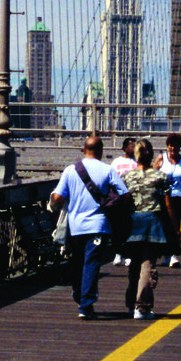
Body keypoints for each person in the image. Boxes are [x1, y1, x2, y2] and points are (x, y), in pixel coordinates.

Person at [49, 136, 130, 319]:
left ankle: (80, 296)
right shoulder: (108, 170)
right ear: (101, 151)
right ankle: (85, 305)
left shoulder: (70, 170)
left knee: (77, 262)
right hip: (99, 224)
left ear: (84, 150)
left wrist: (53, 200)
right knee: (92, 262)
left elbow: (58, 198)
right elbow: (125, 195)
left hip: (76, 226)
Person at [120, 139, 177, 320]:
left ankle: (131, 304)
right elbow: (168, 206)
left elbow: (123, 202)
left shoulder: (126, 177)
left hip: (132, 223)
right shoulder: (160, 177)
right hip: (153, 223)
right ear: (151, 154)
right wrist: (176, 229)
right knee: (147, 265)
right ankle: (142, 307)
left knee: (134, 265)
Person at [159, 133, 181, 267]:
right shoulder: (161, 159)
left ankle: (173, 255)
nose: (173, 148)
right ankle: (167, 255)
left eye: (176, 146)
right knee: (166, 225)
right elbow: (153, 175)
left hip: (179, 196)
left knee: (175, 224)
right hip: (163, 197)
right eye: (170, 146)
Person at [107, 137, 138, 266]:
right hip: (118, 200)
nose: (134, 148)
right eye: (132, 146)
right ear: (125, 148)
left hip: (132, 201)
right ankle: (118, 253)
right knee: (117, 228)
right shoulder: (116, 162)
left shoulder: (137, 162)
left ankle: (129, 254)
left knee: (130, 228)